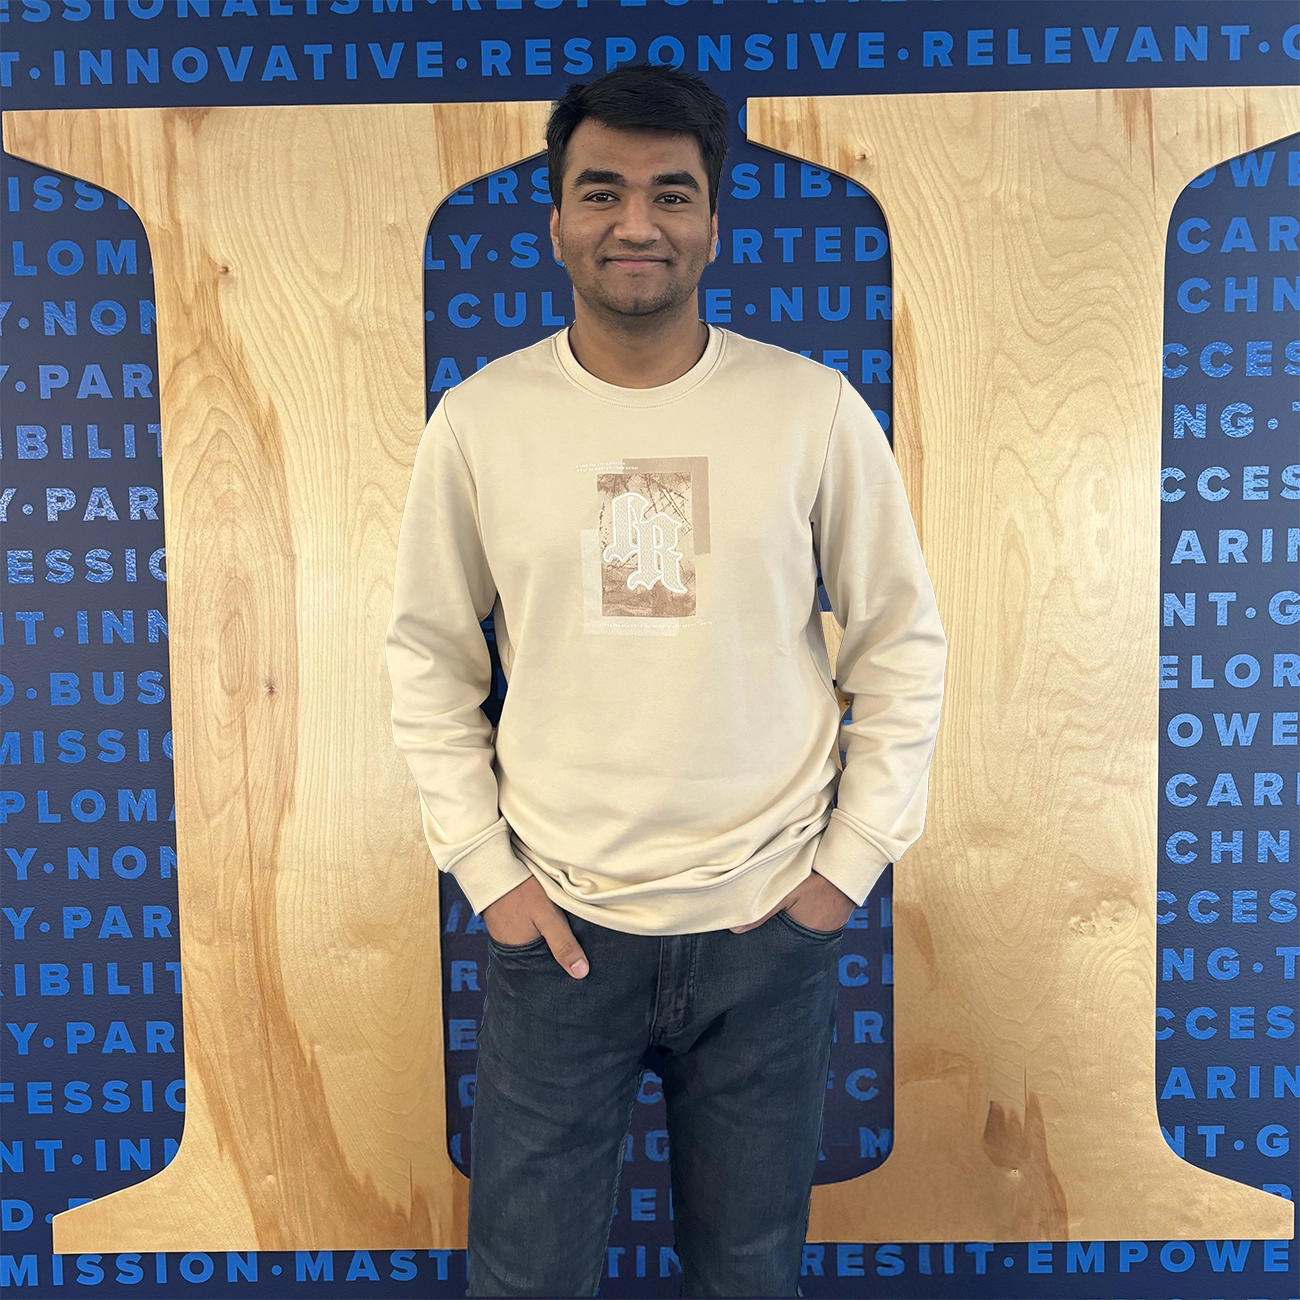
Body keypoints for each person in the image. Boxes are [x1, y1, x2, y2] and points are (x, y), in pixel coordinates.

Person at [385, 63, 946, 1297]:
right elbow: (426, 658)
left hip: (765, 934)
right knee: (526, 1277)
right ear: (555, 222)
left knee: (747, 1273)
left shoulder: (810, 411)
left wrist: (840, 873)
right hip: (559, 935)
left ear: (711, 221)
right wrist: (490, 878)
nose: (636, 223)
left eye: (670, 194)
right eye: (602, 193)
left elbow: (900, 643)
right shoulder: (480, 421)